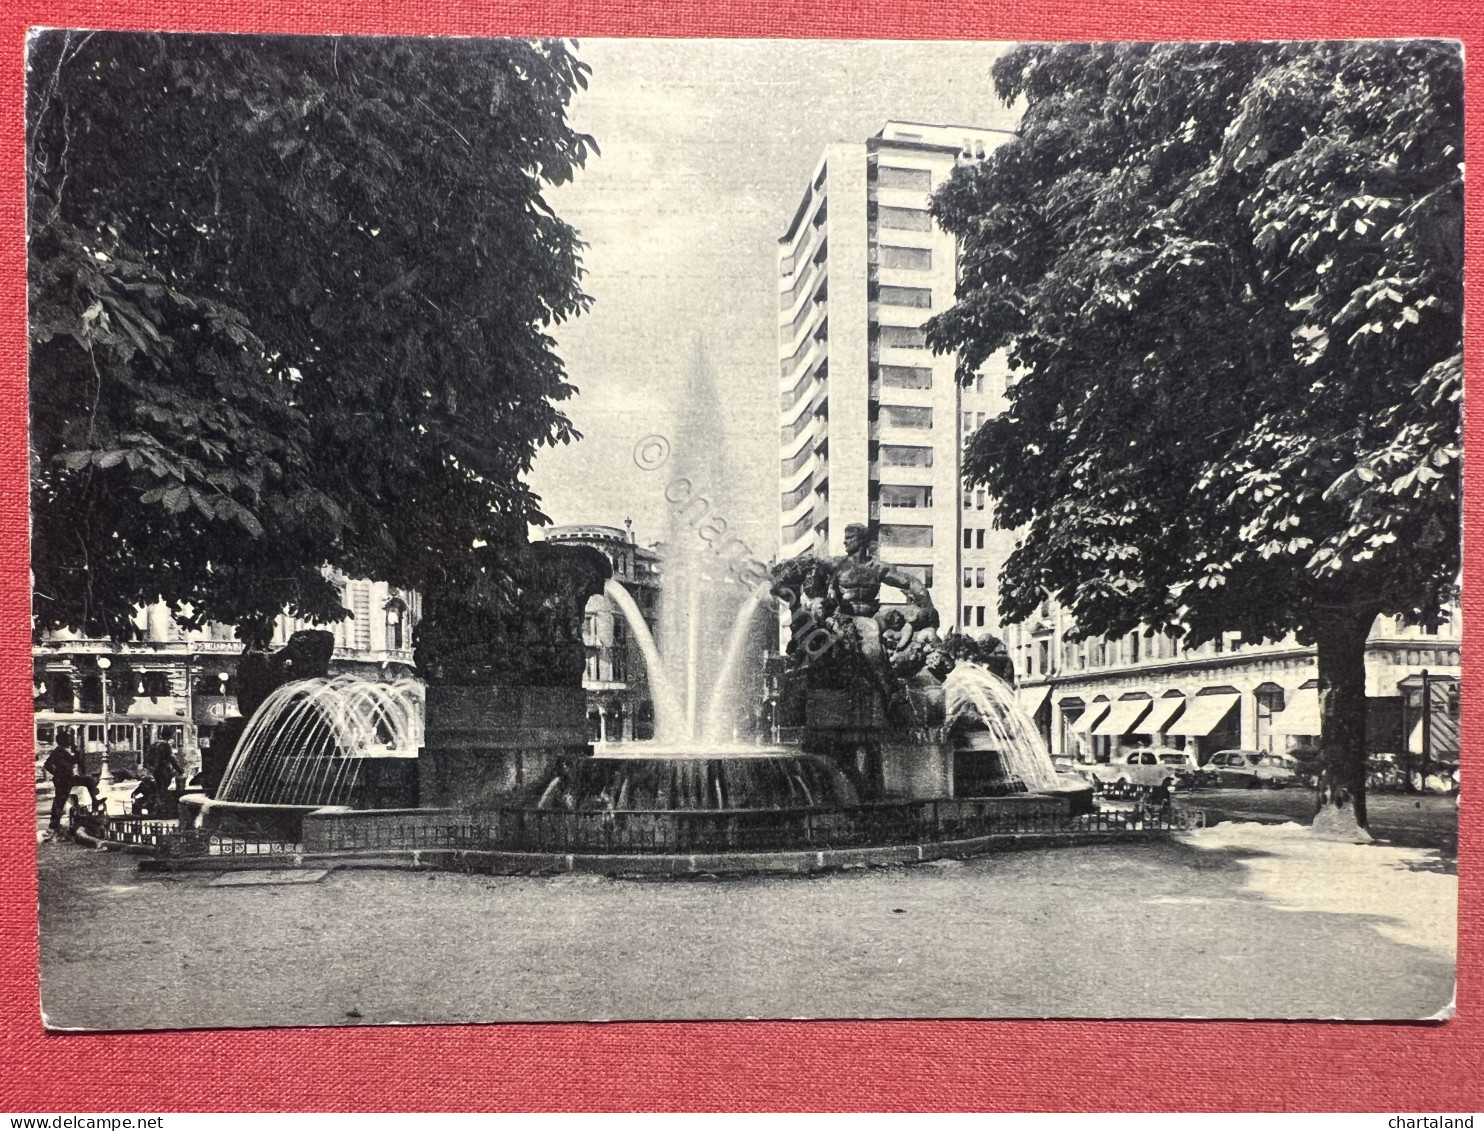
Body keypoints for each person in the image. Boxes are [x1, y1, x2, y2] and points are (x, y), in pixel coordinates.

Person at [42, 731, 100, 834]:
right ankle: (54, 825)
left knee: (88, 781)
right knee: (59, 802)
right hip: (63, 780)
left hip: (68, 779)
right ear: (62, 741)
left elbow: (76, 760)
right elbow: (47, 765)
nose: (70, 741)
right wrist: (57, 773)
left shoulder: (64, 752)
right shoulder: (57, 752)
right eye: (68, 739)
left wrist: (76, 750)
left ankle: (94, 801)